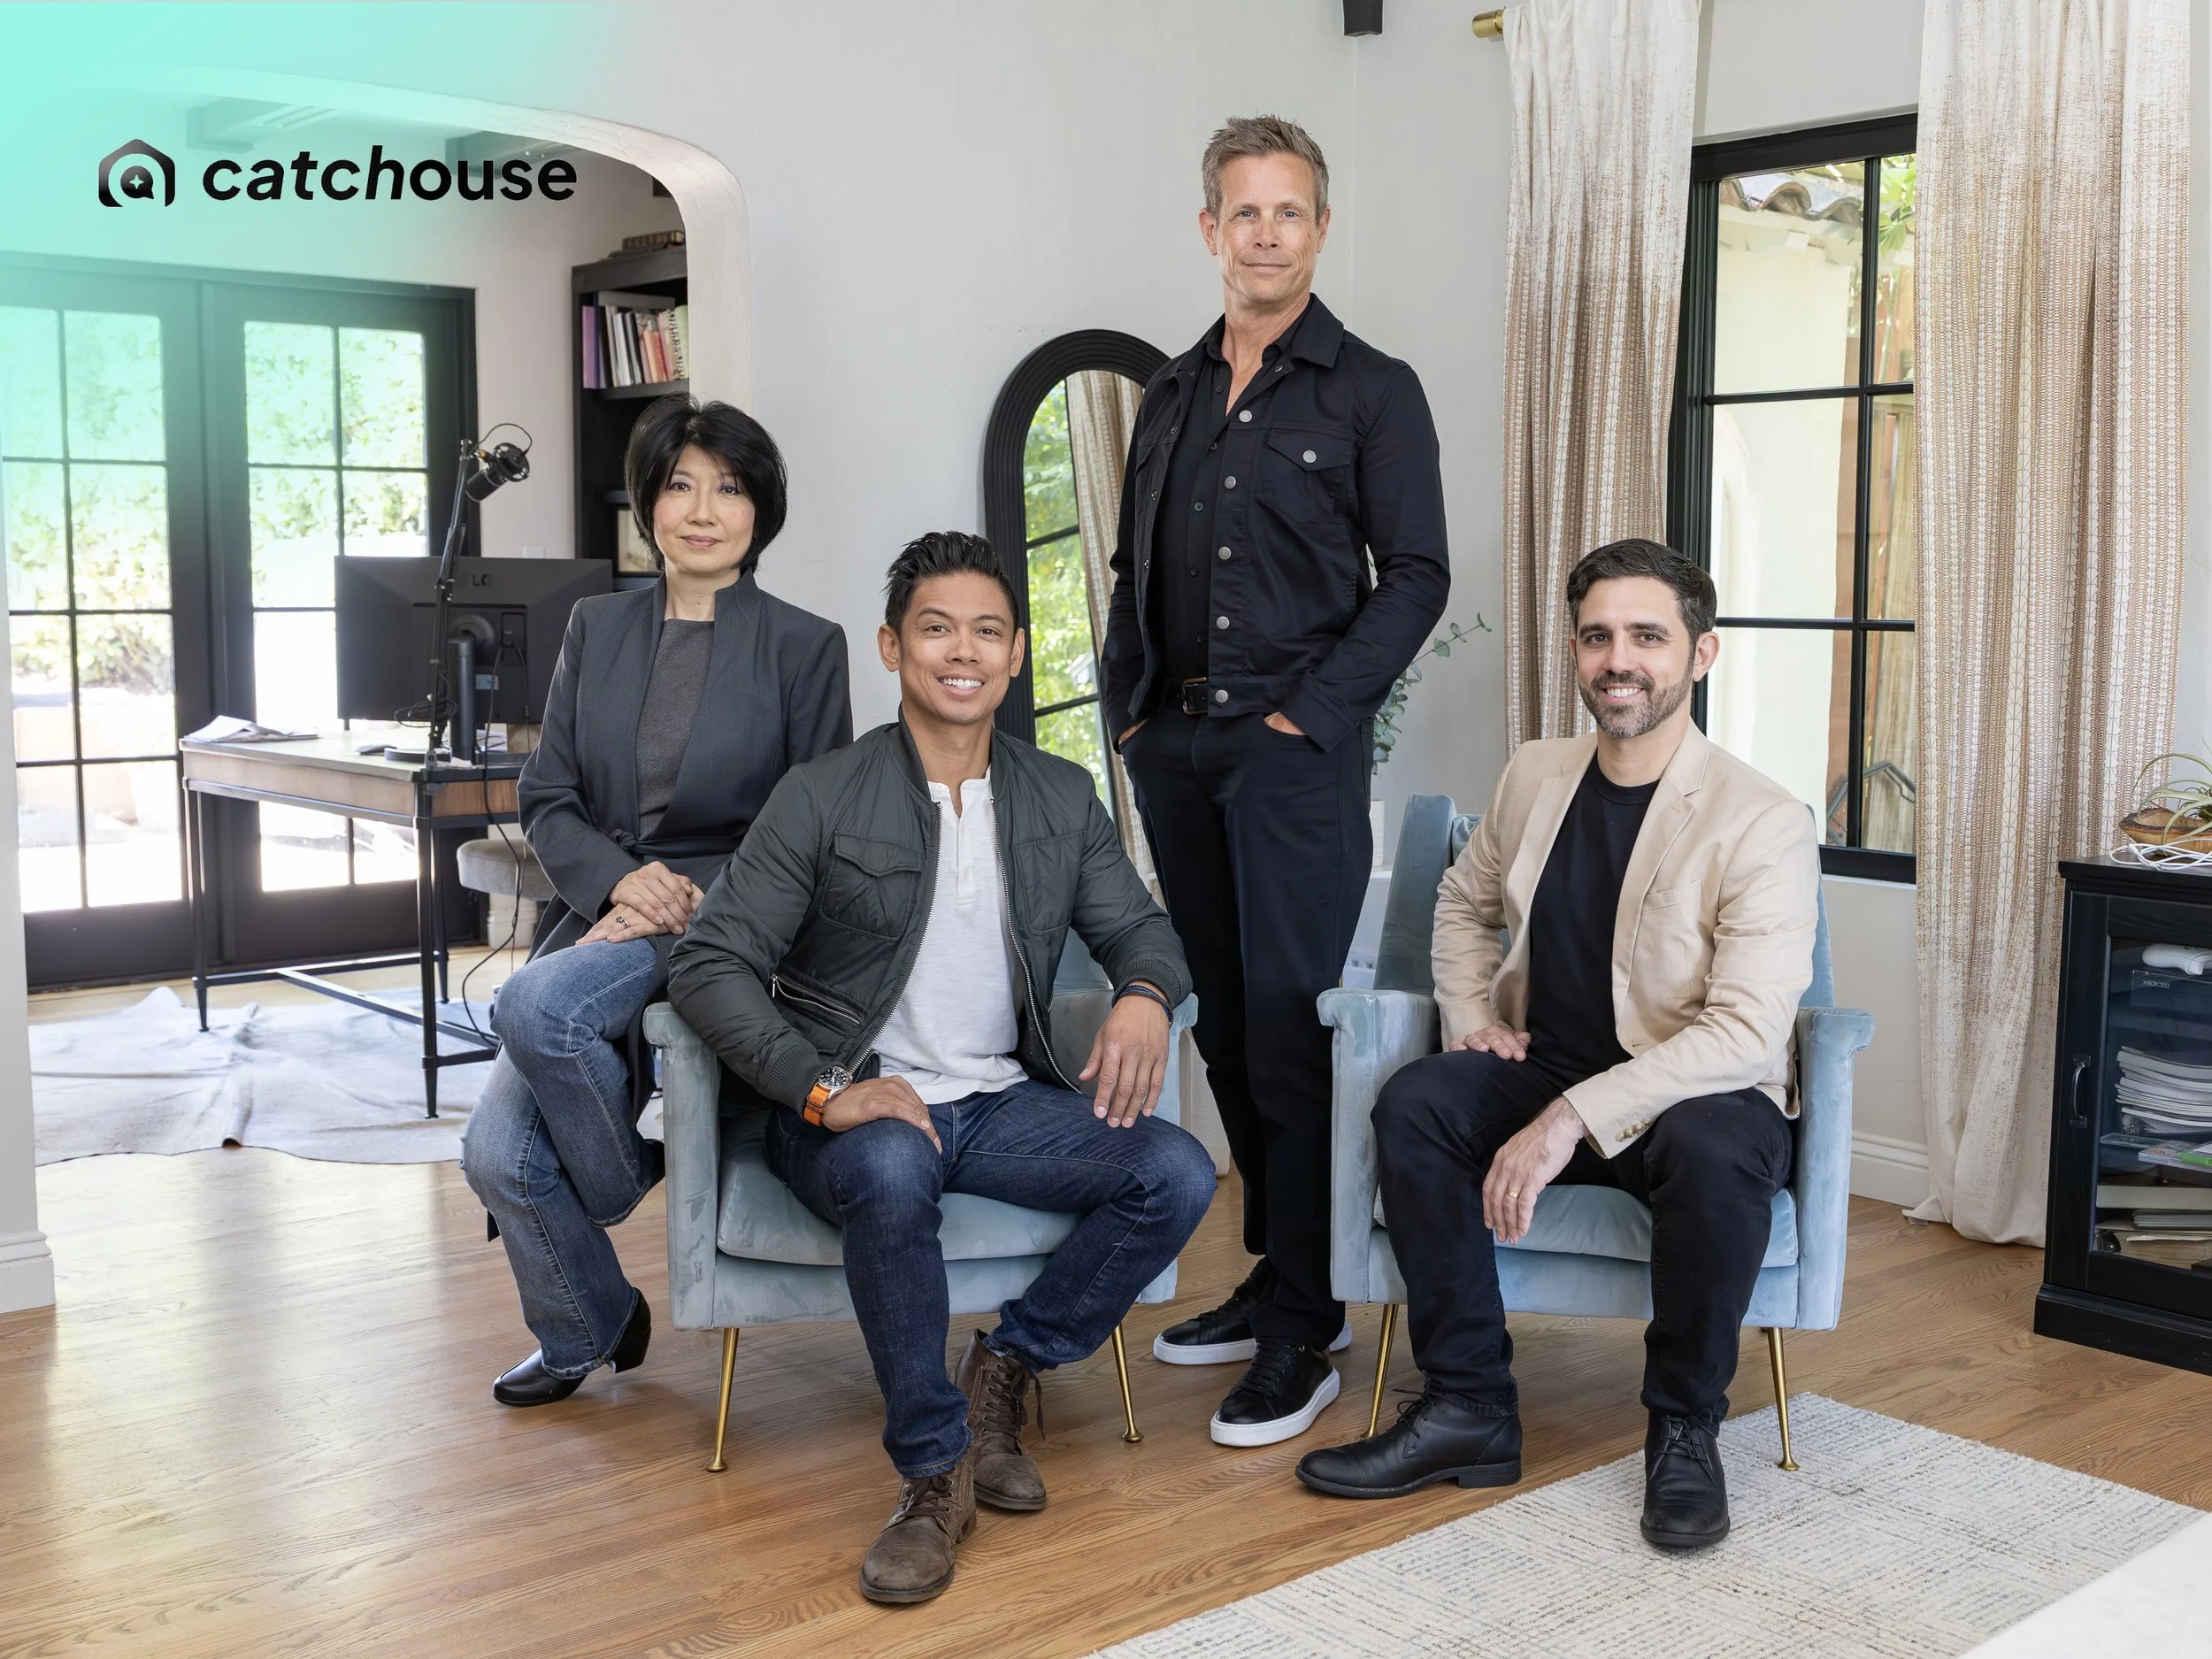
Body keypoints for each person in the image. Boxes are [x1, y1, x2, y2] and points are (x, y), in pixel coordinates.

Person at [668, 531, 1216, 1605]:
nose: (962, 652)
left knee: (1177, 1172)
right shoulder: (821, 794)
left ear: (1014, 655)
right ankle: (932, 1473)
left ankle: (1004, 1369)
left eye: (985, 632)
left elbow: (1141, 930)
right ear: (892, 646)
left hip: (999, 1104)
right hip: (855, 1104)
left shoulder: (1059, 795)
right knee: (887, 1167)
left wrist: (1147, 995)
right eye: (935, 629)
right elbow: (708, 964)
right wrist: (825, 1090)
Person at [1294, 539, 1820, 1551]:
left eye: (1646, 637)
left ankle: (1684, 1428)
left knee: (1716, 1150)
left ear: (1701, 653)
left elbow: (1745, 1031)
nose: (1618, 660)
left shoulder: (1760, 819)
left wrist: (1567, 1118)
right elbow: (1463, 901)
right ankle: (1467, 1405)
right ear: (1575, 651)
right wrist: (1468, 1019)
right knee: (1417, 1103)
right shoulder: (1535, 773)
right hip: (1545, 1061)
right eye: (1596, 637)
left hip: (1695, 1092)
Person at [1101, 114, 1449, 1447]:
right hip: (1177, 750)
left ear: (1320, 227)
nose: (1265, 234)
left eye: (1288, 211)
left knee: (1294, 1031)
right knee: (1226, 1029)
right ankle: (1279, 1272)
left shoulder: (1373, 390)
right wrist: (1132, 715)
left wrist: (1311, 717)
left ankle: (1306, 1323)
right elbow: (1131, 569)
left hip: (1293, 755)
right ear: (1210, 229)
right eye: (1243, 212)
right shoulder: (1170, 393)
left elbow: (1416, 575)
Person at [463, 396, 851, 1409]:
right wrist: (617, 881)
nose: (703, 510)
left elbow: (813, 826)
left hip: (727, 921)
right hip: (606, 908)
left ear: (760, 510)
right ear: (648, 504)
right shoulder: (597, 627)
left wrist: (686, 898)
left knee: (534, 1006)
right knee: (495, 1154)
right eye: (680, 485)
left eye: (729, 488)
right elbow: (549, 793)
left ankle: (617, 1180)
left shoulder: (805, 645)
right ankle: (587, 1322)